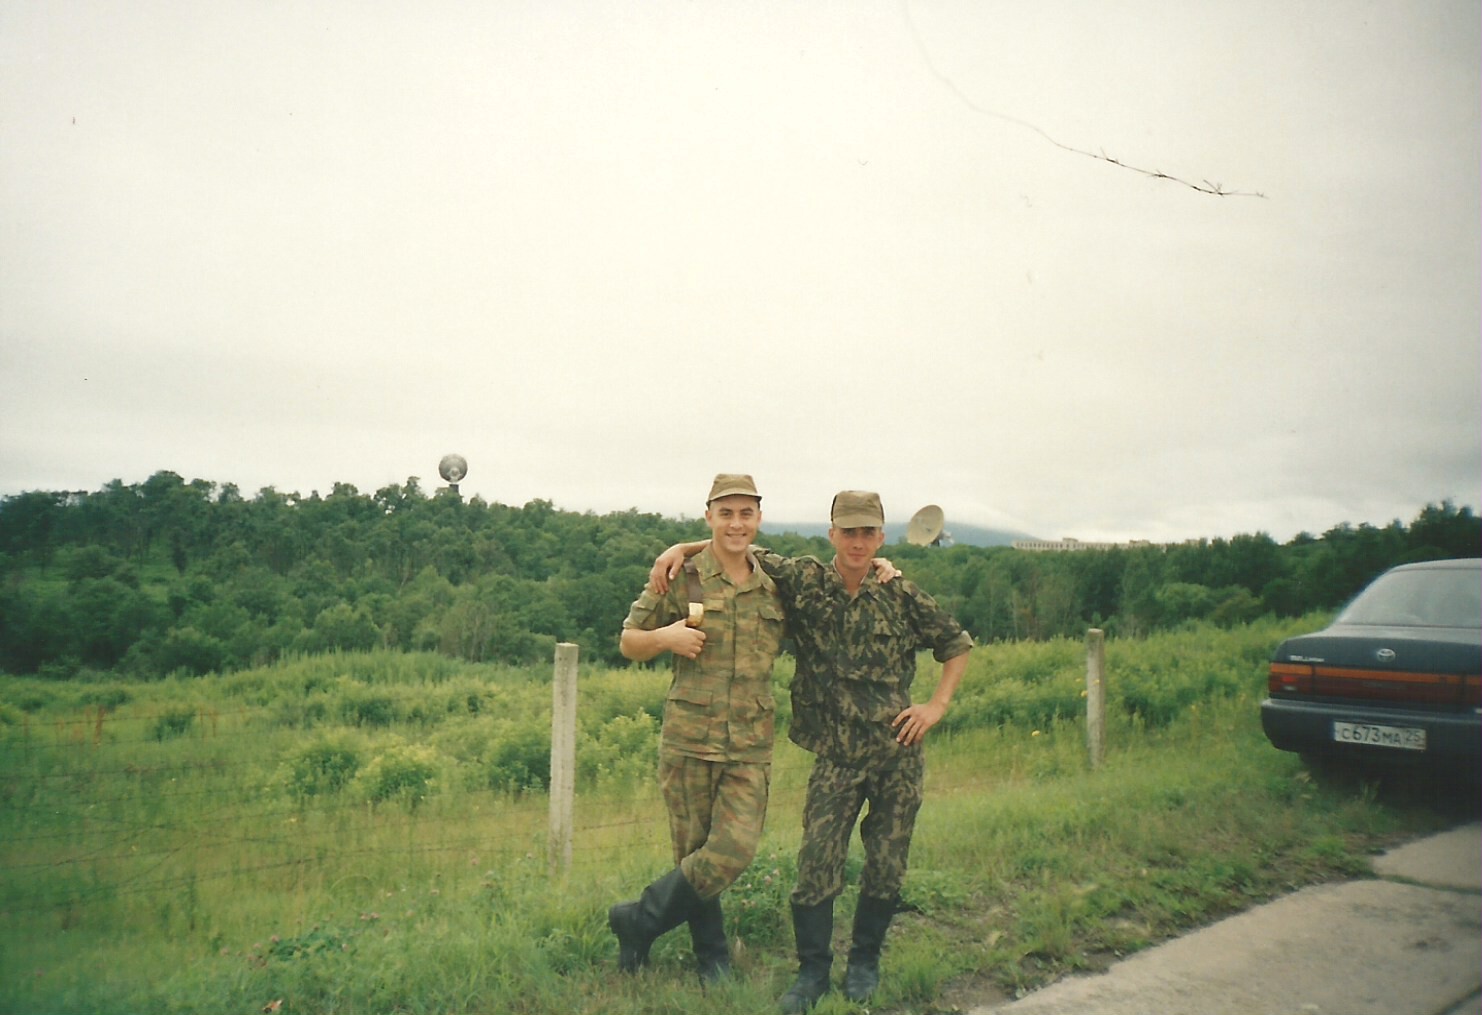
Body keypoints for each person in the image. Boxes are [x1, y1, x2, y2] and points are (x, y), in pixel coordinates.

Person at [652, 490, 972, 1011]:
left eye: (868, 532)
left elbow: (955, 644)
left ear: (881, 538)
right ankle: (812, 974)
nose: (858, 541)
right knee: (816, 866)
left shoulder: (901, 593)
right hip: (836, 757)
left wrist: (935, 706)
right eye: (849, 531)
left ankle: (864, 963)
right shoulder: (803, 579)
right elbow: (737, 546)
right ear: (832, 535)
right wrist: (681, 548)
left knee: (887, 863)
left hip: (897, 754)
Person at [608, 473, 786, 985]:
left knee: (733, 850)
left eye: (745, 513)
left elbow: (838, 571)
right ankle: (713, 957)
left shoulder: (776, 579)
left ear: (758, 517)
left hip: (750, 741)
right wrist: (665, 637)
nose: (736, 523)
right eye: (725, 513)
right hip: (689, 740)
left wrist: (883, 564)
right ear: (708, 516)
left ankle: (637, 919)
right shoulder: (681, 575)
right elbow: (628, 641)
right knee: (693, 854)